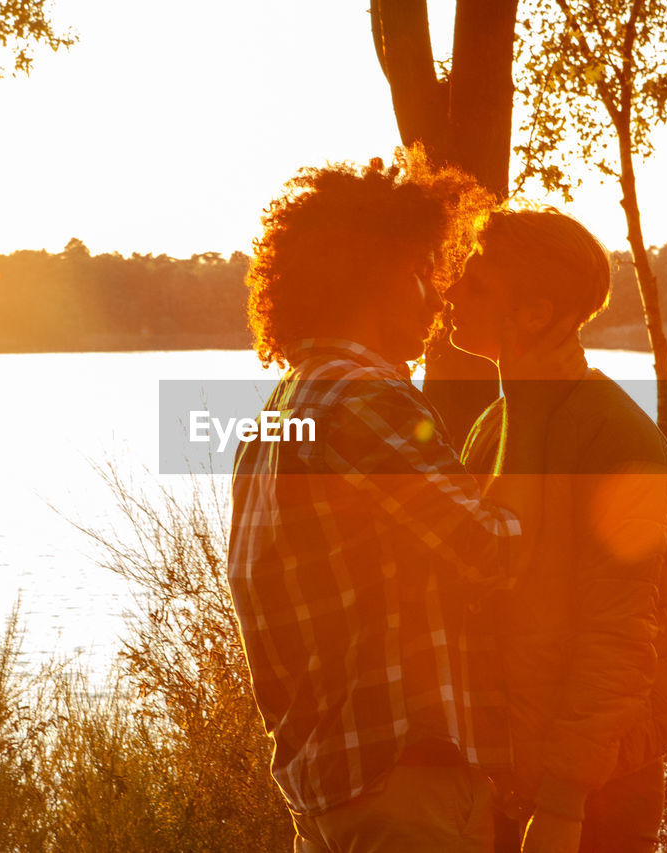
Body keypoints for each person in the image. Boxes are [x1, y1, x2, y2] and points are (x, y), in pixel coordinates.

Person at [227, 158, 583, 853]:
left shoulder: (275, 415)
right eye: (425, 269)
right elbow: (497, 550)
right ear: (376, 273)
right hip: (404, 787)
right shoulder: (366, 401)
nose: (439, 295)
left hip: (326, 793)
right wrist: (537, 422)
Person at [448, 208, 667, 853]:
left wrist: (563, 803)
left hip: (593, 794)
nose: (449, 292)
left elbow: (619, 630)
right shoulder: (500, 423)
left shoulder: (617, 437)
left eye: (475, 283)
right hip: (511, 776)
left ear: (534, 313)